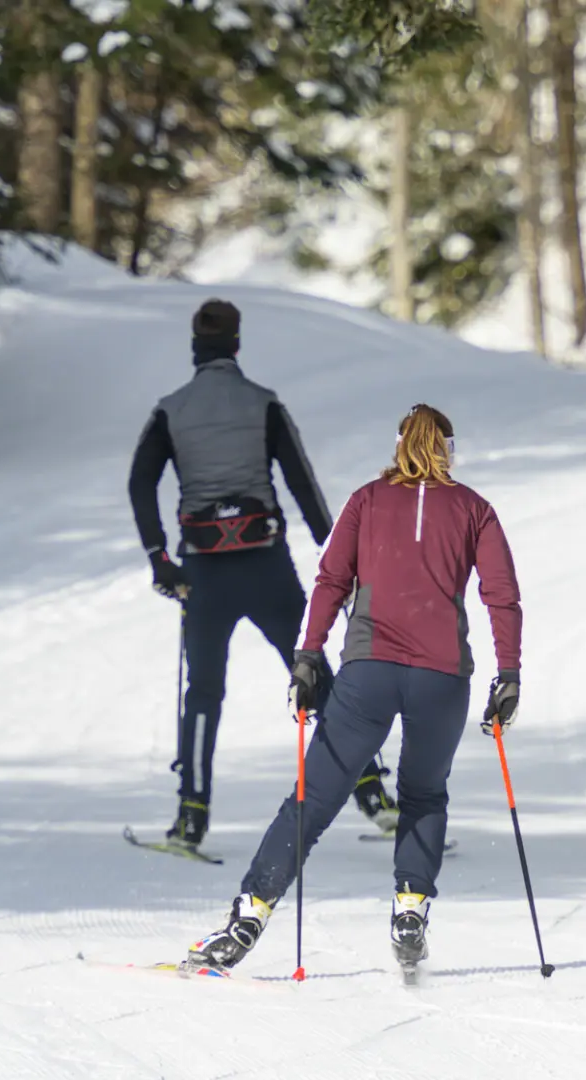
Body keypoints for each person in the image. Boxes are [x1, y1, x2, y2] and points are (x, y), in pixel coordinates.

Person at [187, 404, 523, 972]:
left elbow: (331, 579)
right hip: (443, 679)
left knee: (312, 800)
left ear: (398, 446)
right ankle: (411, 907)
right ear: (449, 450)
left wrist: (307, 655)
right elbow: (501, 595)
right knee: (424, 795)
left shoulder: (368, 499)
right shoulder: (474, 509)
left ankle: (250, 914)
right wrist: (508, 674)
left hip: (369, 671)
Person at [128, 298, 398, 850]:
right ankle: (375, 798)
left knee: (202, 692)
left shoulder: (170, 410)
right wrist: (340, 560)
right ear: (236, 345)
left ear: (195, 348)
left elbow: (140, 483)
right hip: (266, 565)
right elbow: (304, 486)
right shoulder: (263, 405)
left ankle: (191, 820)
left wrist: (160, 558)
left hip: (204, 573)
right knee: (317, 677)